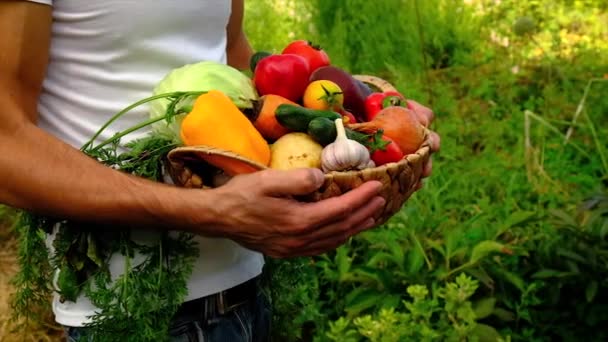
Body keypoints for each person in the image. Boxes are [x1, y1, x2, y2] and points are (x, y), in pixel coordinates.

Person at [0, 1, 440, 341]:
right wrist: (207, 211)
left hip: (252, 281)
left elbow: (231, 57)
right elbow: (7, 145)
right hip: (136, 312)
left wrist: (369, 118)